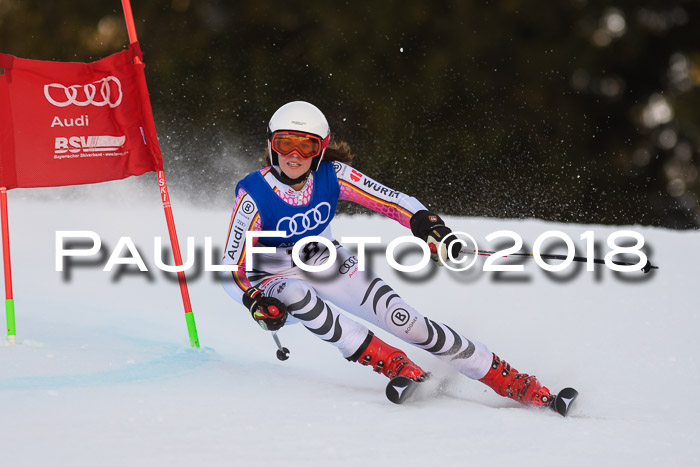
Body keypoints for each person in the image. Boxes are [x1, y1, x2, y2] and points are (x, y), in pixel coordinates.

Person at [221, 101, 553, 408]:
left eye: (306, 145)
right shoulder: (254, 195)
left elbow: (392, 200)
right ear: (270, 144)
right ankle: (397, 365)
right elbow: (229, 267)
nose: (294, 154)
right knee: (297, 293)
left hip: (323, 259)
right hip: (271, 278)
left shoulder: (332, 176)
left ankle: (507, 379)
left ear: (320, 149)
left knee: (406, 321)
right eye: (284, 143)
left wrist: (430, 227)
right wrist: (254, 300)